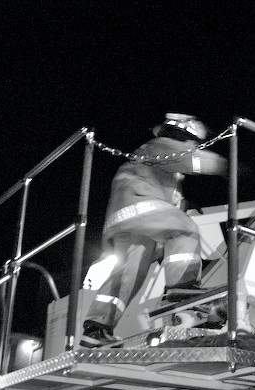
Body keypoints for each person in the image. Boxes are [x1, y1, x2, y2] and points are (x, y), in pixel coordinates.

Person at [80, 113, 228, 347]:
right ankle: (182, 287)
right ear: (183, 135)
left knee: (129, 272)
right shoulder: (163, 145)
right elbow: (190, 159)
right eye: (193, 141)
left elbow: (163, 189)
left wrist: (182, 204)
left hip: (125, 217)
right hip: (140, 205)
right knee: (185, 229)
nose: (194, 145)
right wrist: (223, 165)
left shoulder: (149, 159)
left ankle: (97, 328)